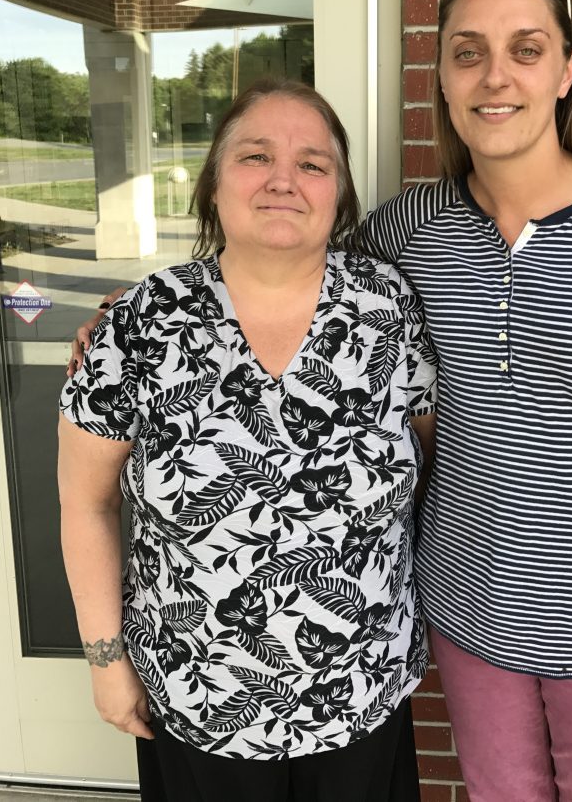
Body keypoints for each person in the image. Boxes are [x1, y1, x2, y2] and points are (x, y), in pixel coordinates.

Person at [68, 0, 572, 802]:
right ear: (445, 80)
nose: (496, 77)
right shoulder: (410, 229)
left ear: (568, 70)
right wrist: (139, 311)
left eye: (527, 49)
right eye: (468, 52)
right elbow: (285, 261)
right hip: (470, 618)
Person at [58, 78, 437, 802]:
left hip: (363, 696)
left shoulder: (389, 310)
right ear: (213, 185)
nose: (283, 180)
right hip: (199, 701)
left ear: (340, 194)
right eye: (255, 156)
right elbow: (85, 503)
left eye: (313, 163)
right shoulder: (138, 327)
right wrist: (107, 661)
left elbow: (421, 460)